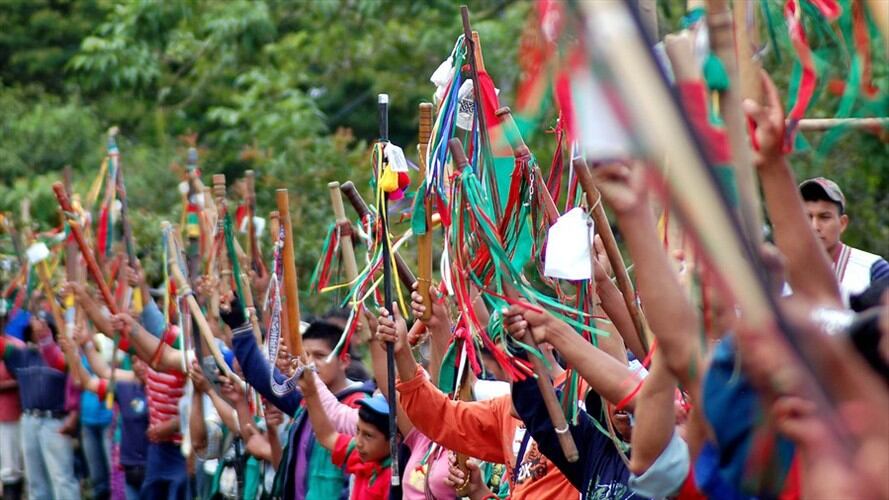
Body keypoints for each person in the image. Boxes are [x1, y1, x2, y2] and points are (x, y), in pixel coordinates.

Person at [221, 298, 374, 499]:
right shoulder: (306, 401)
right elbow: (263, 377)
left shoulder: (359, 406)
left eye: (320, 356)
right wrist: (239, 326)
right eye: (306, 355)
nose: (310, 363)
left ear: (344, 361)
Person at [0, 310, 80, 500]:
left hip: (55, 422)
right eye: (35, 324)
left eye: (43, 324)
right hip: (29, 420)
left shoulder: (61, 357)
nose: (38, 327)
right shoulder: (21, 355)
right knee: (35, 482)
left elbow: (76, 384)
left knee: (61, 479)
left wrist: (74, 416)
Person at [297, 370, 392, 500]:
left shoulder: (393, 478)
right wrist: (310, 393)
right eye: (357, 431)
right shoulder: (362, 454)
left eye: (368, 436)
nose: (358, 442)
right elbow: (326, 436)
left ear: (394, 439)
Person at [799, 177, 889, 302]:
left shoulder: (873, 269)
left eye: (824, 217)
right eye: (808, 217)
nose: (815, 227)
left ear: (842, 224)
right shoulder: (780, 271)